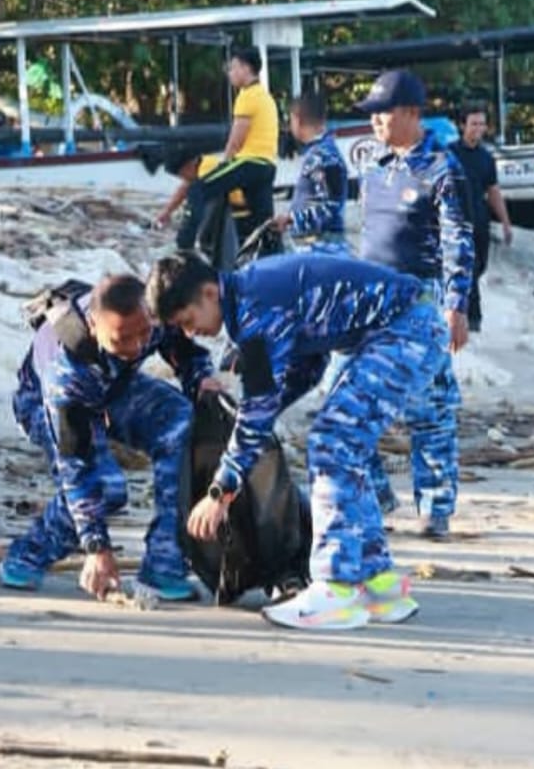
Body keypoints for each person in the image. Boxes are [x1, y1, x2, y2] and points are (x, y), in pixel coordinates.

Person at [149, 248, 447, 631]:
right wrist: (260, 410)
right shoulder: (252, 292)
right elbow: (310, 363)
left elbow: (258, 410)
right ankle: (378, 583)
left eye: (189, 321)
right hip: (411, 326)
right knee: (342, 446)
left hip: (407, 330)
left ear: (208, 293)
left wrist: (220, 492)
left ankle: (335, 586)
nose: (192, 334)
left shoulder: (255, 311)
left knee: (332, 442)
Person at [0, 273, 215, 600]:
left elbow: (184, 350)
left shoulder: (152, 314)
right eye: (122, 339)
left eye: (144, 334)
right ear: (93, 326)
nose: (137, 346)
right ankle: (29, 554)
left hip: (115, 388)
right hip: (45, 405)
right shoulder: (66, 370)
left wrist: (201, 379)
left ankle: (163, 562)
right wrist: (97, 548)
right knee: (105, 487)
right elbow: (76, 468)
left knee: (180, 419)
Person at [354, 69, 473, 539]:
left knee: (430, 408)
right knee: (351, 401)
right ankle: (377, 496)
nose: (374, 122)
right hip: (371, 301)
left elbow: (458, 240)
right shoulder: (374, 166)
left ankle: (435, 506)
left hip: (421, 300)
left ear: (410, 113)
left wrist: (456, 305)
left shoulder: (442, 168)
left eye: (382, 113)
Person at [176, 47, 278, 261]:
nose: (230, 73)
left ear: (245, 68)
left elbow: (237, 137)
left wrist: (225, 162)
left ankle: (184, 249)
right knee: (263, 223)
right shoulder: (266, 96)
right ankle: (274, 258)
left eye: (232, 68)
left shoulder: (247, 96)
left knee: (197, 190)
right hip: (267, 166)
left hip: (249, 162)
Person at [446, 102, 511, 333]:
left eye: (482, 124)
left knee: (480, 266)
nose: (478, 129)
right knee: (469, 269)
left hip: (480, 220)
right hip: (456, 221)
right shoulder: (449, 154)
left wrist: (505, 222)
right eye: (473, 124)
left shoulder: (486, 158)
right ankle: (473, 320)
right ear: (462, 125)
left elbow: (493, 191)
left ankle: (462, 310)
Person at [280, 90, 349, 251]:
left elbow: (330, 206)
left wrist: (291, 219)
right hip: (316, 245)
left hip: (322, 248)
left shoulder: (324, 157)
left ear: (297, 119)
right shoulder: (321, 152)